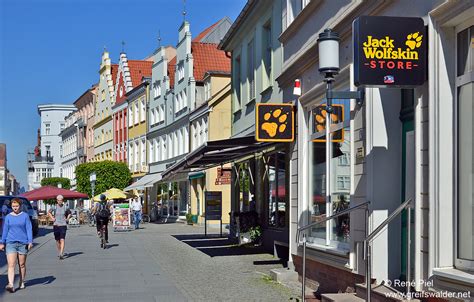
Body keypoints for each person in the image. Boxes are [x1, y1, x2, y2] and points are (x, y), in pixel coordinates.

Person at [0, 198, 33, 293]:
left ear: (20, 206)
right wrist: (2, 242)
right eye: (13, 206)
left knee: (21, 264)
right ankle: (11, 284)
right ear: (11, 206)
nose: (15, 208)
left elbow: (28, 229)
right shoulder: (8, 217)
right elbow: (5, 230)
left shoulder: (25, 216)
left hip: (23, 243)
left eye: (17, 206)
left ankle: (22, 281)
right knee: (11, 264)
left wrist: (30, 241)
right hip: (11, 243)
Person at [48, 195, 71, 260]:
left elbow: (69, 213)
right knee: (57, 240)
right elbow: (49, 212)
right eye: (58, 200)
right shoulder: (54, 207)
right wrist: (52, 218)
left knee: (62, 239)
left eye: (61, 200)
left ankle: (61, 253)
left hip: (63, 225)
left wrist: (67, 218)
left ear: (62, 200)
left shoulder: (65, 207)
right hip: (56, 225)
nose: (60, 201)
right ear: (57, 200)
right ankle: (60, 251)